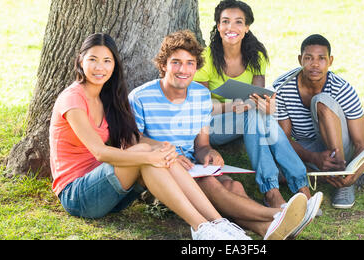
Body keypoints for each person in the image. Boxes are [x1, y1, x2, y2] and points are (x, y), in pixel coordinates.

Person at [49, 33, 251, 240]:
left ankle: (219, 224)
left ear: (114, 65)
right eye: (93, 59)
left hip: (112, 191)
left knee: (155, 151)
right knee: (146, 155)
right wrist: (149, 155)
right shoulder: (72, 98)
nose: (100, 67)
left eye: (107, 61)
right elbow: (100, 153)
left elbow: (133, 137)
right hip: (78, 195)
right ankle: (201, 228)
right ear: (80, 60)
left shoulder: (108, 96)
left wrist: (164, 147)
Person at [128, 30, 316, 240]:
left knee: (233, 185)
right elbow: (133, 141)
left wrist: (209, 153)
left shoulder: (199, 95)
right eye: (176, 62)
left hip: (192, 166)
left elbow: (202, 145)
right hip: (161, 171)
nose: (184, 69)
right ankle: (279, 214)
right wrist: (168, 154)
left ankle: (267, 230)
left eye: (190, 63)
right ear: (163, 64)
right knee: (212, 186)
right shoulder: (140, 97)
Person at [193, 0, 321, 219]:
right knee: (253, 115)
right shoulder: (206, 59)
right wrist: (231, 106)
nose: (231, 28)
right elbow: (201, 107)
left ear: (246, 28)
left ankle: (280, 190)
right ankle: (293, 188)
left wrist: (266, 106)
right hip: (212, 125)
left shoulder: (256, 56)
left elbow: (257, 98)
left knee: (260, 115)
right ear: (217, 25)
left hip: (248, 119)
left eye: (238, 22)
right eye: (225, 21)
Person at [273, 34, 364, 209]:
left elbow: (361, 144)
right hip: (307, 151)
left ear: (330, 61)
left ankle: (343, 177)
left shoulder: (342, 88)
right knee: (275, 173)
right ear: (300, 60)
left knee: (322, 101)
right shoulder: (282, 87)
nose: (315, 64)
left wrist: (351, 174)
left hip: (340, 148)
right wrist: (314, 157)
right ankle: (336, 176)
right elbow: (283, 139)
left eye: (321, 58)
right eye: (308, 58)